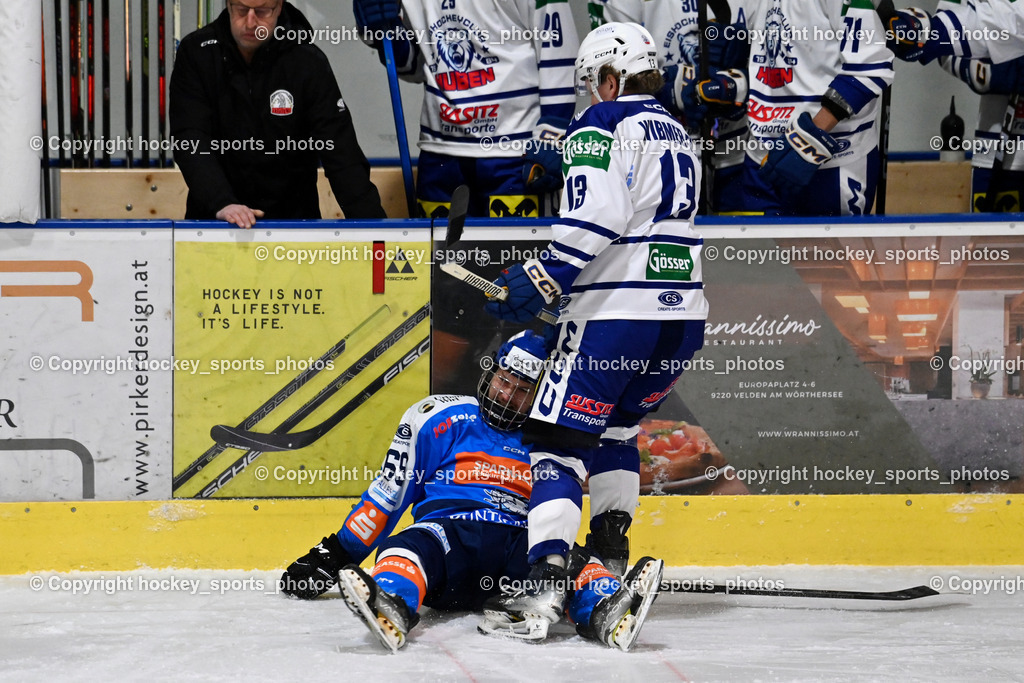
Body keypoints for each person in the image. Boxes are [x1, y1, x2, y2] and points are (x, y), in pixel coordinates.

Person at [480, 22, 705, 631]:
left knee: (556, 443)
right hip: (680, 318)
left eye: (591, 84)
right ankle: (610, 566)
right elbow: (633, 202)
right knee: (616, 432)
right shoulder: (678, 131)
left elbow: (599, 213)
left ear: (610, 78)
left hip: (615, 318)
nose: (588, 96)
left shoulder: (600, 123)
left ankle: (544, 588)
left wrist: (542, 274)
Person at [279, 331, 663, 652]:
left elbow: (606, 465)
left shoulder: (558, 436)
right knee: (404, 547)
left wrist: (607, 545)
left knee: (571, 563)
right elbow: (389, 493)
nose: (505, 395)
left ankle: (608, 610)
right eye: (503, 380)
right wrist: (335, 553)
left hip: (520, 553)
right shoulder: (438, 416)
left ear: (543, 394)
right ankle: (392, 604)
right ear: (491, 370)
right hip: (449, 540)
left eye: (522, 390)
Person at [351, 0, 579, 218]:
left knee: (518, 255)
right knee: (441, 257)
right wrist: (384, 31)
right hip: (440, 155)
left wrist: (553, 132)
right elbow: (415, 66)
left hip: (513, 151)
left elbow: (559, 51)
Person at [170, 1, 386, 227]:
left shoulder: (307, 61)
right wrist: (221, 202)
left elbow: (341, 153)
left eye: (262, 11)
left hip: (294, 227)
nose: (251, 22)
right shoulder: (197, 53)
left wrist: (376, 229)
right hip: (214, 223)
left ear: (280, 7)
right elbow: (190, 139)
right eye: (241, 10)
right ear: (228, 4)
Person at [705, 0, 893, 216]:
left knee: (828, 251)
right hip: (761, 159)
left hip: (831, 164)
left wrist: (807, 142)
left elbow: (870, 67)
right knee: (761, 250)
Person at [588, 0, 751, 214]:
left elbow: (775, 69)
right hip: (656, 163)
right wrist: (667, 90)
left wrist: (737, 84)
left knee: (740, 244)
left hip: (737, 157)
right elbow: (604, 90)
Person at [884, 1, 1024, 66]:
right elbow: (948, 56)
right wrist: (930, 32)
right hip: (999, 104)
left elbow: (1015, 21)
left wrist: (937, 33)